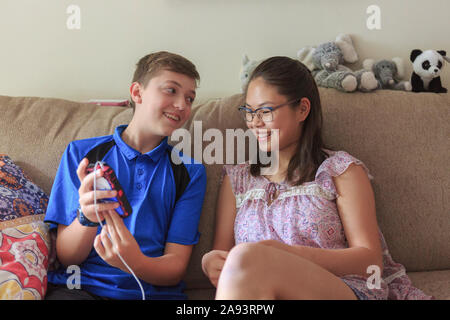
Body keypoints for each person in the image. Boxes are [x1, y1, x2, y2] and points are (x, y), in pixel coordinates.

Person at [201, 56, 433, 300]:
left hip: (339, 290)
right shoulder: (238, 179)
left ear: (302, 109)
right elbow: (223, 257)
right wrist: (209, 262)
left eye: (265, 111)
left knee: (248, 257)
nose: (254, 122)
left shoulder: (340, 170)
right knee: (243, 260)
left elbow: (370, 261)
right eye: (249, 112)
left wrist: (285, 255)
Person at [44, 51, 207, 300]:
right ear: (137, 93)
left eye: (190, 97)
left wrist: (136, 262)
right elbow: (67, 257)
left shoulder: (190, 171)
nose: (182, 105)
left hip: (151, 294)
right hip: (83, 289)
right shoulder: (82, 154)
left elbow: (175, 267)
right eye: (171, 90)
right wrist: (87, 217)